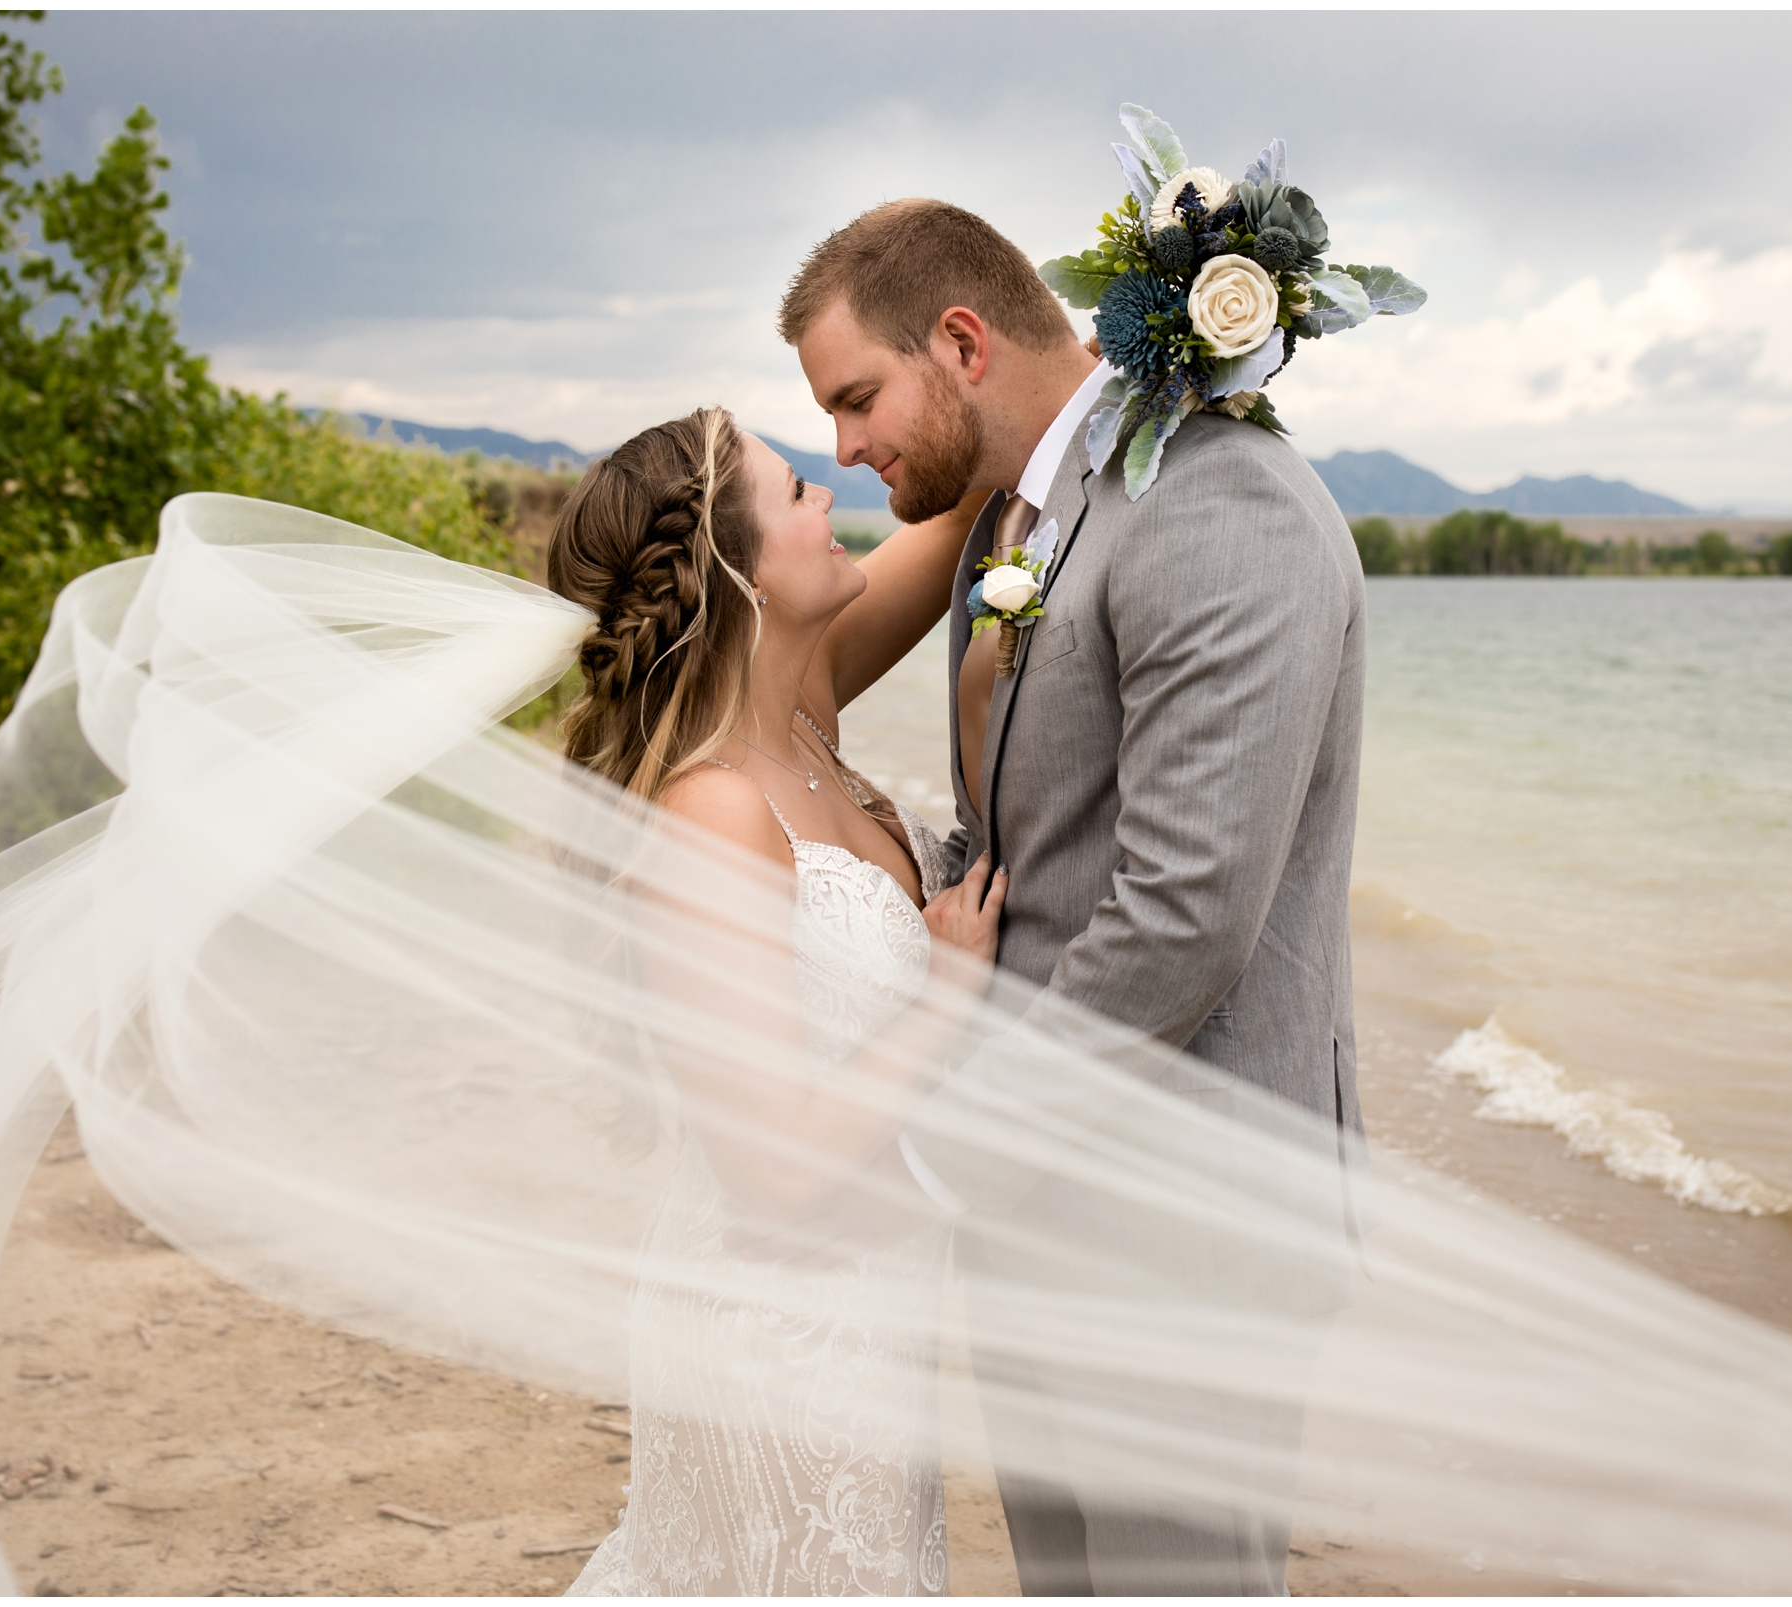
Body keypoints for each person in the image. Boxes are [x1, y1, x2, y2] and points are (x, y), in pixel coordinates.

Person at [783, 198, 1365, 1595]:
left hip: (1188, 1229)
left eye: (858, 398)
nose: (848, 447)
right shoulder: (1037, 515)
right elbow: (1031, 842)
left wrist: (937, 1150)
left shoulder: (1221, 506)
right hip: (1043, 1198)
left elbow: (1184, 911)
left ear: (964, 340)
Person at [539, 408, 999, 1593]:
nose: (831, 501)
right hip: (774, 1337)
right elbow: (776, 1169)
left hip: (870, 1314)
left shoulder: (804, 717)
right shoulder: (713, 810)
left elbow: (963, 503)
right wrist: (945, 1000)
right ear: (738, 572)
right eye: (798, 491)